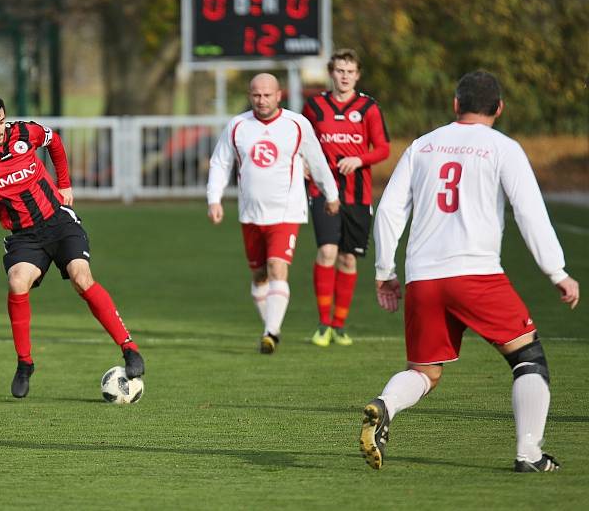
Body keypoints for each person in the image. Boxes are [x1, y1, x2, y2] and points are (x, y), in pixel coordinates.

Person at [359, 71, 580, 472]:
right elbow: (529, 212)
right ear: (499, 108)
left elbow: (390, 209)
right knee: (528, 358)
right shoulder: (503, 148)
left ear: (456, 105)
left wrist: (384, 269)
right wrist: (557, 271)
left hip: (423, 277)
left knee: (424, 371)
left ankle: (384, 404)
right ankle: (529, 454)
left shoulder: (422, 146)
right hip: (476, 274)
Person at [0, 91, 144, 398]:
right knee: (17, 281)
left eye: (0, 120)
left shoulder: (25, 132)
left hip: (59, 223)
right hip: (24, 237)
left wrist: (64, 183)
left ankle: (129, 348)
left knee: (81, 276)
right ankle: (25, 363)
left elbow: (55, 142)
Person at [207, 73, 340, 354]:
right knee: (259, 277)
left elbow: (316, 160)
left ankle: (270, 332)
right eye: (256, 95)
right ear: (249, 95)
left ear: (279, 95)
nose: (262, 100)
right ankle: (271, 326)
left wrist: (331, 194)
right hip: (250, 214)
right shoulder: (238, 126)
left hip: (286, 211)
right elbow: (220, 163)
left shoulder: (296, 124)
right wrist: (214, 199)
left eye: (267, 95)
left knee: (277, 267)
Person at [302, 48, 390, 347]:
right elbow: (300, 138)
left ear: (357, 75)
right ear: (331, 72)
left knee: (348, 258)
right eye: (340, 70)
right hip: (323, 191)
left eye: (350, 71)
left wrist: (360, 160)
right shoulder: (314, 106)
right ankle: (323, 323)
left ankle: (340, 325)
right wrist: (302, 161)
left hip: (357, 193)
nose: (345, 76)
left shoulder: (369, 108)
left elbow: (383, 148)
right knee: (327, 251)